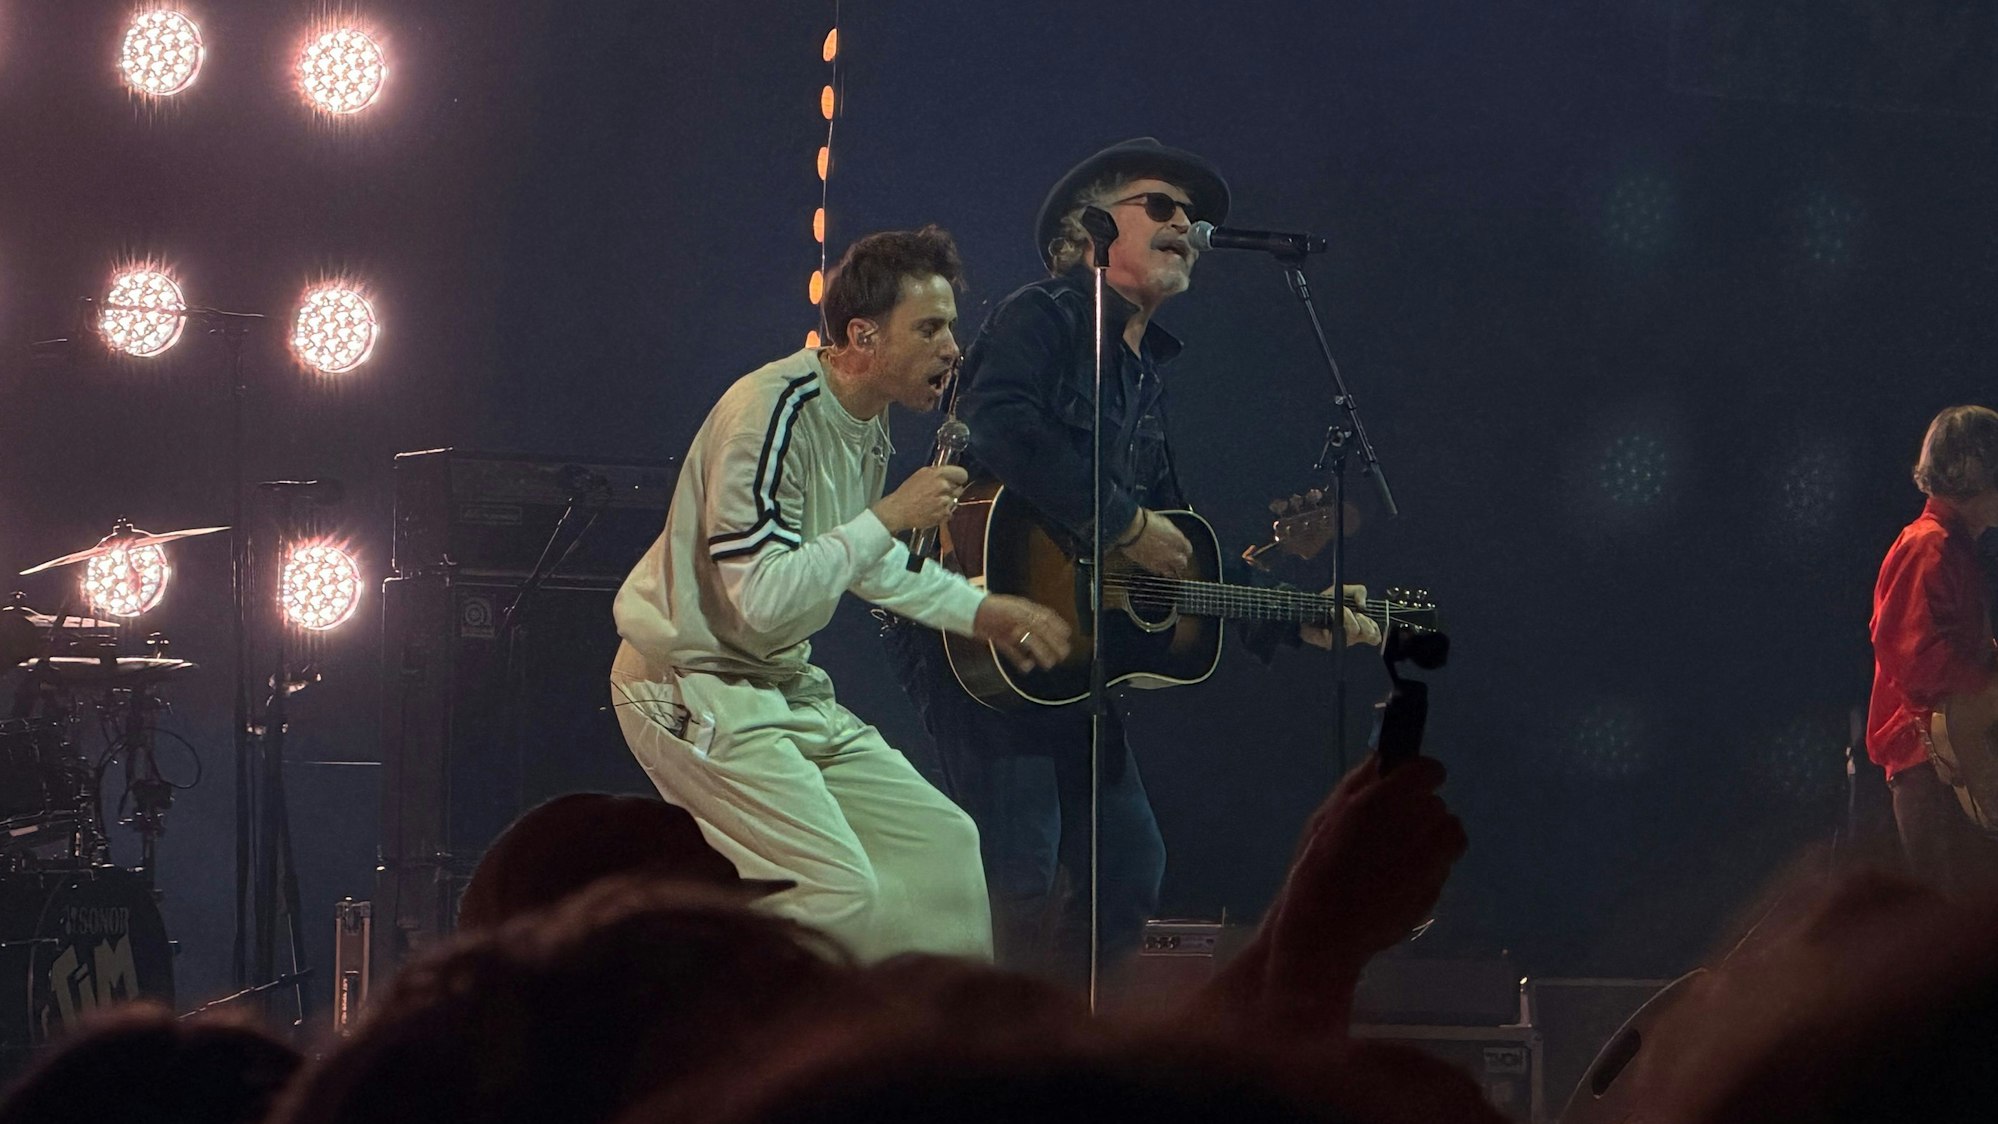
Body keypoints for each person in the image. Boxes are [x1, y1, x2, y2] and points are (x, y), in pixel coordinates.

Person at [882, 139, 1380, 985]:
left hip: (1076, 663)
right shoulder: (1043, 315)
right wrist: (1120, 522)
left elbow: (1180, 559)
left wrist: (1299, 614)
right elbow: (999, 422)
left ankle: (1066, 1052)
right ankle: (974, 1063)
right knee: (1020, 873)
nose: (1187, 223)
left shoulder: (1146, 376)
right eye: (1161, 205)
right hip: (980, 625)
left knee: (1127, 873)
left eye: (1192, 214)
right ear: (1089, 233)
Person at [609, 226, 1072, 962]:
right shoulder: (769, 412)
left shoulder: (863, 419)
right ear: (863, 334)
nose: (953, 348)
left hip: (780, 684)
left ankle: (920, 1060)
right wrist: (890, 513)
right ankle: (760, 1060)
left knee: (943, 845)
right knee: (834, 891)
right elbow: (757, 597)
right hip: (685, 686)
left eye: (950, 326)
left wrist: (981, 610)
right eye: (930, 328)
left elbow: (863, 562)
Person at [1867, 404, 1998, 897]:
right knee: (1952, 924)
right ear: (1975, 472)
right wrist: (1987, 682)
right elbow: (1915, 655)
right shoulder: (1928, 545)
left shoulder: (1953, 547)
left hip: (1953, 761)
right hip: (1929, 764)